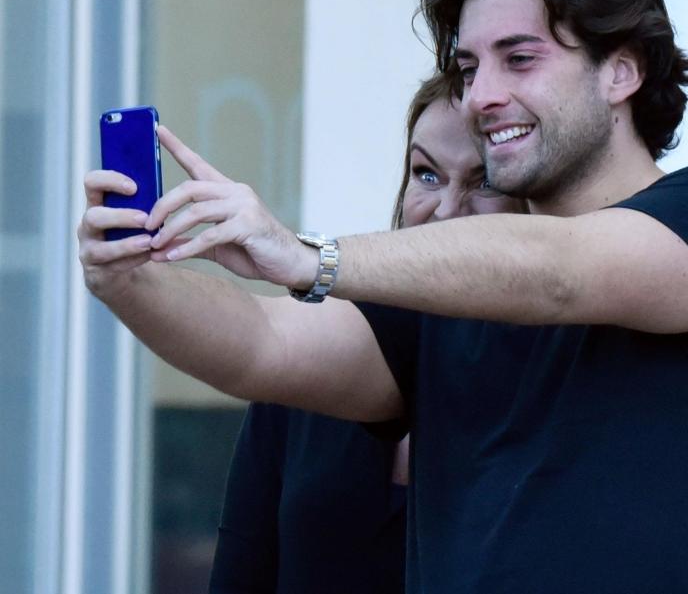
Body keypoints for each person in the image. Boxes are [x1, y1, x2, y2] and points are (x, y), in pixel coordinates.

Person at [79, 0, 688, 593]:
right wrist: (129, 277)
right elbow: (263, 344)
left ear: (622, 70)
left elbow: (562, 273)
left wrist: (308, 256)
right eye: (470, 68)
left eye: (520, 58)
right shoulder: (446, 295)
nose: (480, 96)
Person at [208, 73, 525, 594]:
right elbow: (241, 573)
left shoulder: (553, 384)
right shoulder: (310, 372)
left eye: (484, 180)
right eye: (426, 175)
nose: (445, 209)